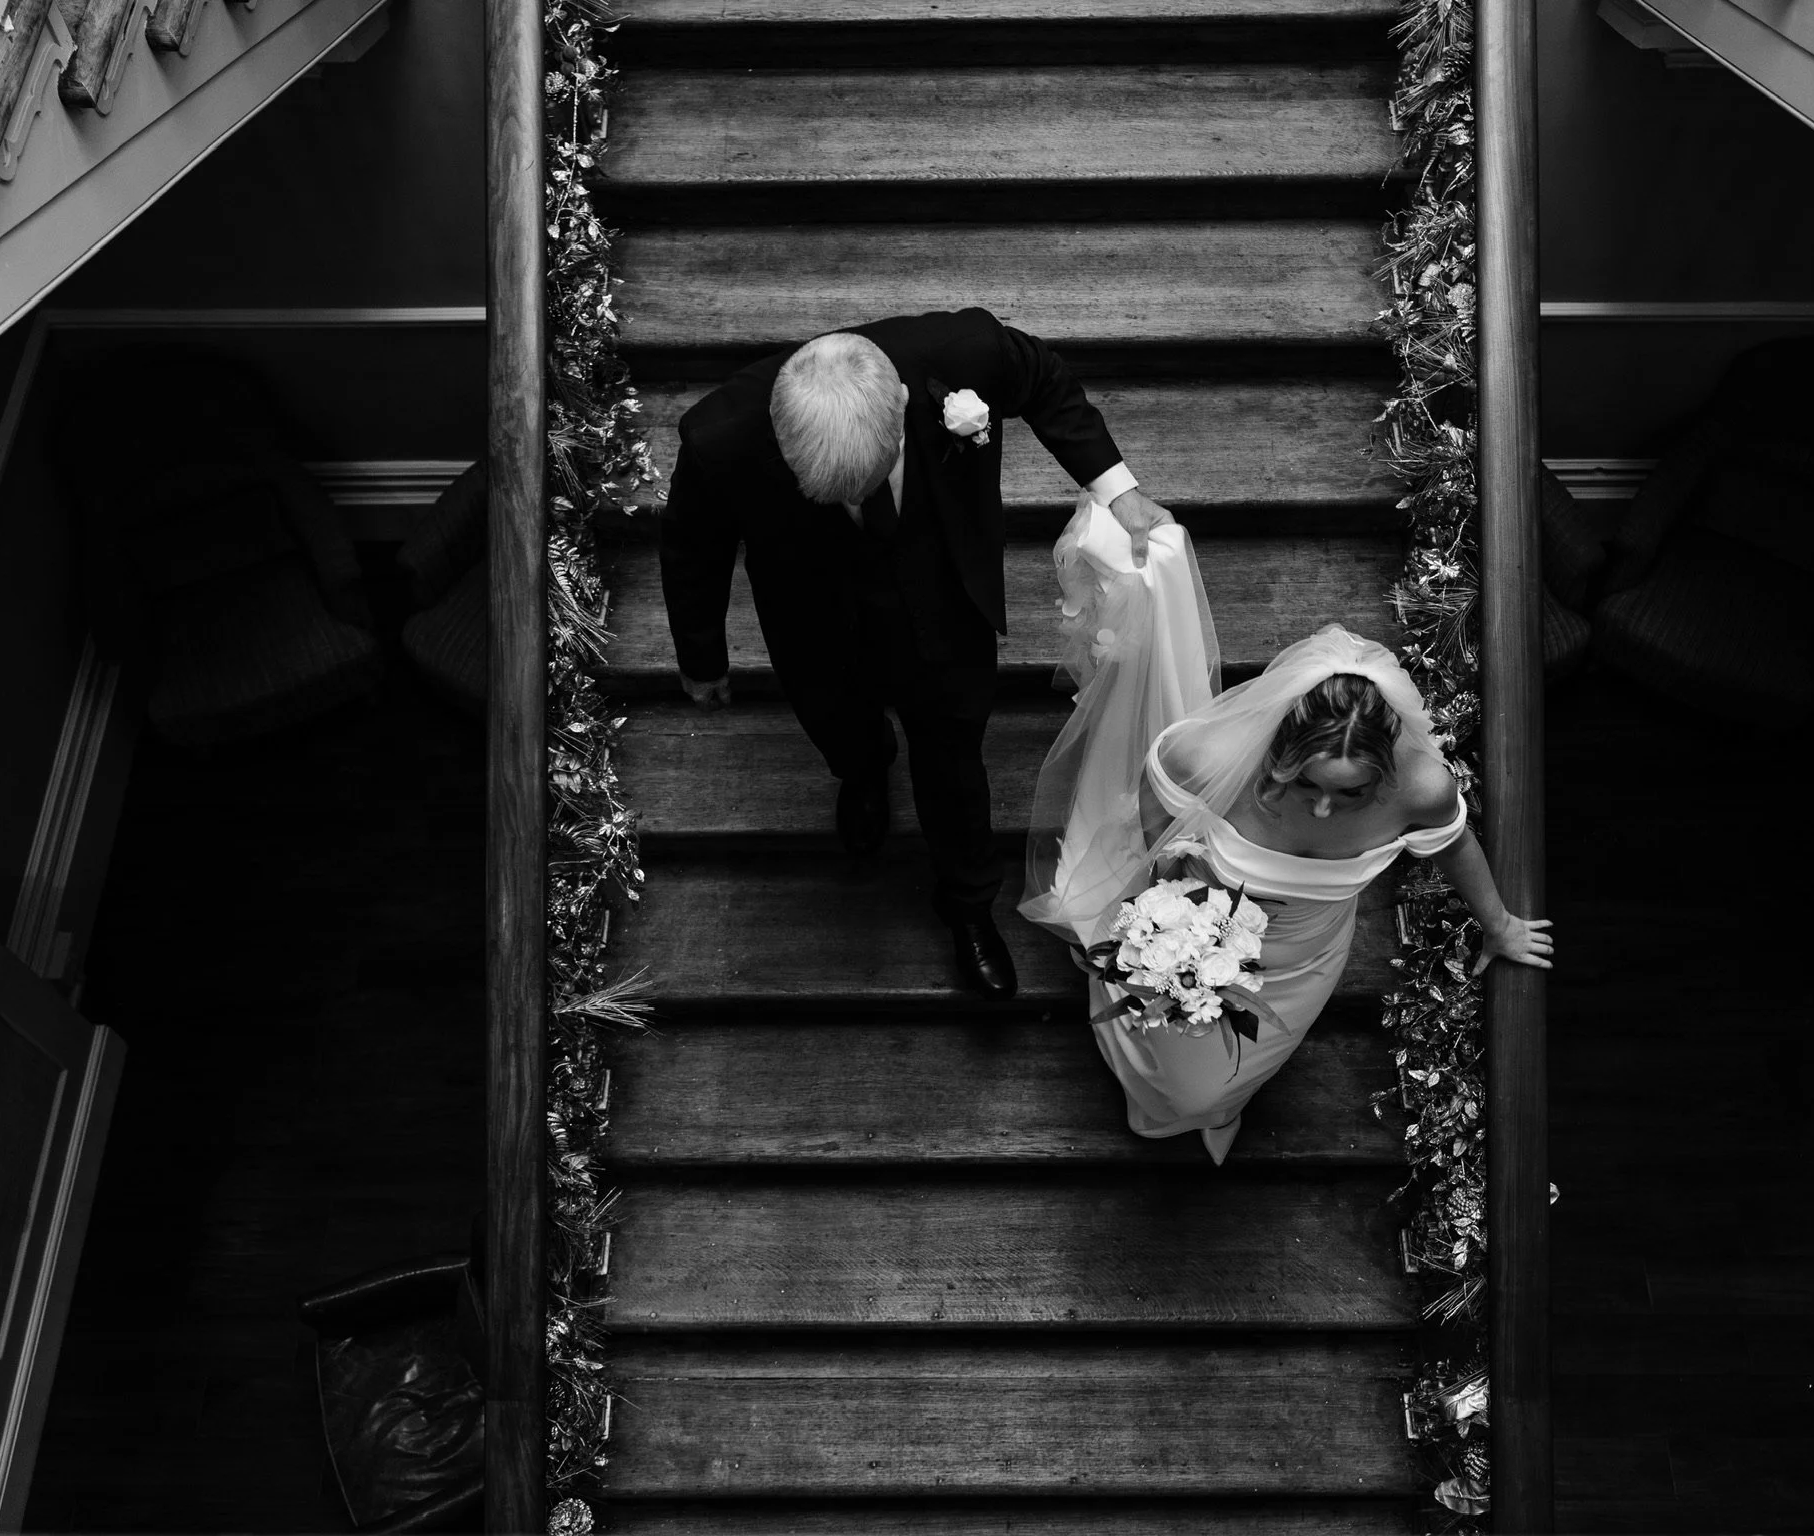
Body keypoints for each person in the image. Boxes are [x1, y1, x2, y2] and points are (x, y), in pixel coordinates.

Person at [657, 310, 1173, 998]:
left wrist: (1120, 492)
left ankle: (968, 906)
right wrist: (702, 657)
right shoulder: (718, 435)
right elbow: (693, 547)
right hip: (812, 609)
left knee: (953, 760)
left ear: (902, 403)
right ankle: (864, 771)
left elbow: (1046, 382)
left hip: (941, 594)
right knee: (838, 723)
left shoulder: (967, 353)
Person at [1020, 503, 1553, 1163]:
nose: (1325, 810)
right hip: (1197, 933)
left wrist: (1500, 925)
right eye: (1307, 784)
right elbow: (1152, 816)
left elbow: (1456, 846)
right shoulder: (1205, 756)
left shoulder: (1423, 789)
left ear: (1386, 769)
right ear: (1281, 751)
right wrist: (1167, 900)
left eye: (1352, 793)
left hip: (1308, 958)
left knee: (1248, 1063)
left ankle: (1219, 1101)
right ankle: (1180, 1098)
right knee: (1186, 1076)